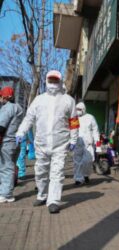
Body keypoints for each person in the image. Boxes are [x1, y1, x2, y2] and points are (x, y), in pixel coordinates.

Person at [16, 70, 79, 214]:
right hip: (41, 144)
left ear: (60, 81)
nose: (52, 83)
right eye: (50, 80)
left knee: (57, 172)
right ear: (46, 81)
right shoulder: (39, 100)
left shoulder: (68, 100)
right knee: (40, 171)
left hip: (61, 144)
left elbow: (74, 122)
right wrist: (21, 132)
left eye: (55, 80)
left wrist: (74, 138)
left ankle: (54, 201)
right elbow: (29, 118)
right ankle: (42, 195)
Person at [0, 86, 23, 203]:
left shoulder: (7, 108)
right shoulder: (19, 108)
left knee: (5, 168)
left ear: (4, 97)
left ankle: (6, 194)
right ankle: (6, 191)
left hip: (6, 142)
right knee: (10, 166)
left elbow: (1, 126)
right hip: (15, 142)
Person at [73, 102, 99, 185]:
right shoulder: (74, 118)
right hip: (78, 144)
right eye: (76, 109)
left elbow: (95, 131)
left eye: (79, 109)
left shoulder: (90, 117)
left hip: (88, 144)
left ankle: (86, 175)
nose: (78, 111)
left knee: (87, 161)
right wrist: (71, 142)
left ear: (84, 110)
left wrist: (97, 144)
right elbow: (72, 131)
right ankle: (78, 179)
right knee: (77, 162)